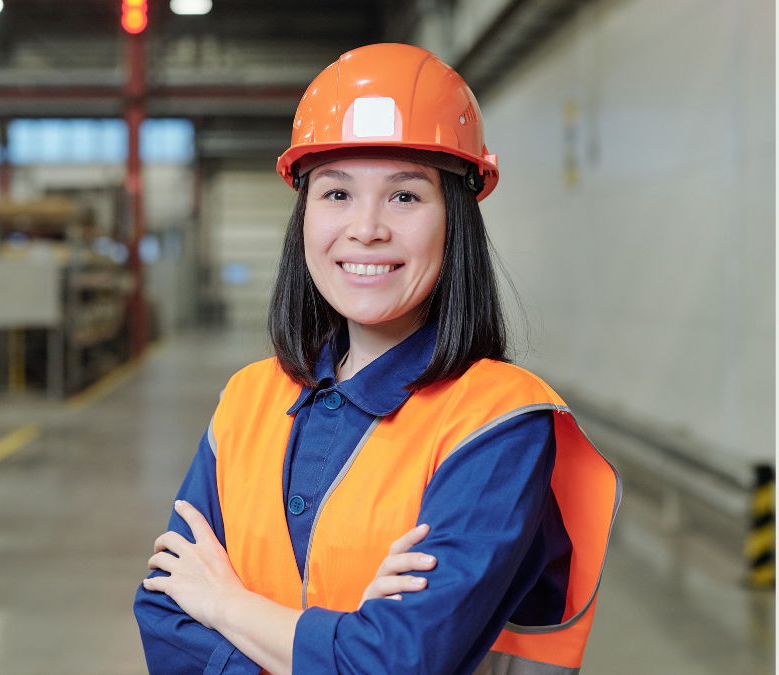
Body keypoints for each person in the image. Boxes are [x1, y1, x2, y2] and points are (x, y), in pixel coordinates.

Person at [133, 43, 620, 675]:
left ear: (456, 220)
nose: (366, 228)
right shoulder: (247, 400)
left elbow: (396, 664)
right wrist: (348, 637)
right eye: (336, 194)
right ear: (303, 215)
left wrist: (225, 605)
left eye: (404, 196)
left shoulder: (500, 423)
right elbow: (165, 619)